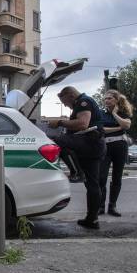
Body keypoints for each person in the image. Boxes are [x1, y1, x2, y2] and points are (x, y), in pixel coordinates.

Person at [48, 86, 106, 229]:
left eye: (65, 102)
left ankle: (76, 172)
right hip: (94, 145)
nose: (66, 106)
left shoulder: (83, 102)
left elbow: (82, 123)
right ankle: (92, 220)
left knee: (57, 141)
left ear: (71, 95)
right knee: (92, 184)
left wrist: (60, 122)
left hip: (89, 143)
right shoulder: (85, 102)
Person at [98, 90, 133, 217]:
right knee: (101, 177)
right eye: (105, 98)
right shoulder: (101, 113)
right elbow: (101, 130)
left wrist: (114, 114)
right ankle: (100, 206)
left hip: (120, 147)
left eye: (110, 98)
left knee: (117, 177)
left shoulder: (123, 113)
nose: (106, 100)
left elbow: (127, 125)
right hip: (105, 146)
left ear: (116, 100)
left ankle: (112, 206)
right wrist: (118, 128)